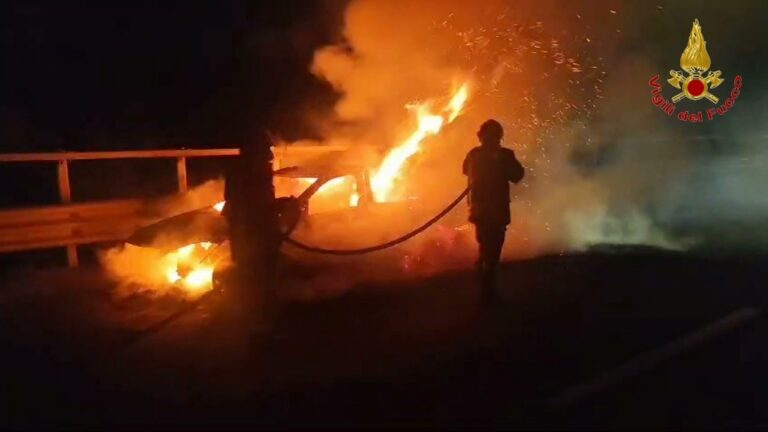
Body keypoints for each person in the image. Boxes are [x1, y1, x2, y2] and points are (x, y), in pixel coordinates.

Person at [462, 119, 525, 294]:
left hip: (486, 211)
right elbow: (518, 175)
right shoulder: (487, 155)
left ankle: (484, 278)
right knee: (491, 249)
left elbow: (517, 175)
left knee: (488, 247)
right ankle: (487, 289)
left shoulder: (482, 154)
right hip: (489, 211)